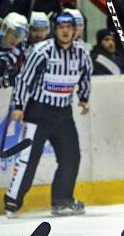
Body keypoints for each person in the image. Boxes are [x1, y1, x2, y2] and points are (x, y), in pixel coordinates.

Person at [5, 12, 92, 217]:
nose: (65, 31)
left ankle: (62, 200)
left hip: (63, 113)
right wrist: (18, 105)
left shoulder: (81, 52)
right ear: (55, 29)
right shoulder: (41, 51)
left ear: (74, 29)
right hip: (38, 112)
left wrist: (84, 97)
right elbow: (24, 79)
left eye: (69, 27)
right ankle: (12, 201)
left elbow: (85, 76)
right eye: (61, 27)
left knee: (71, 156)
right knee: (29, 158)